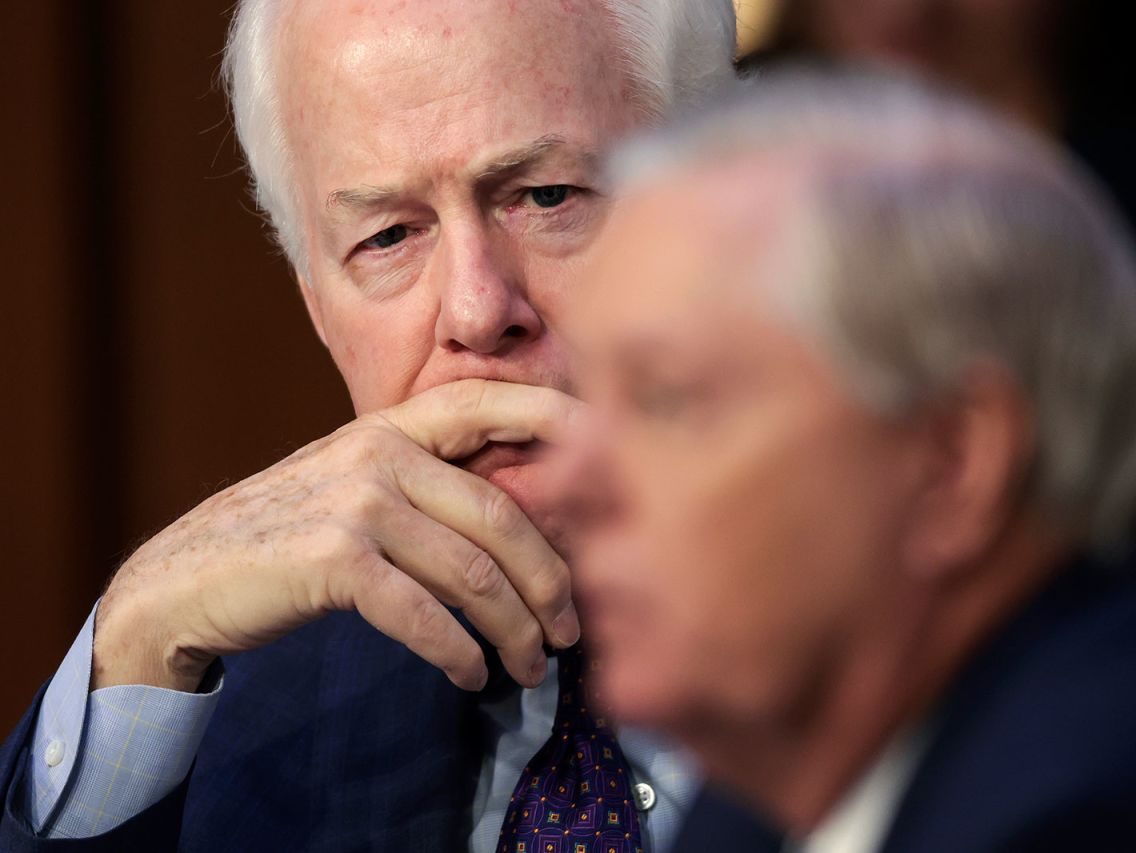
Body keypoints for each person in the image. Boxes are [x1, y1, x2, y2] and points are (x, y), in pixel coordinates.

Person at [0, 1, 739, 850]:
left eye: (547, 195)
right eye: (388, 235)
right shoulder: (235, 716)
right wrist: (133, 640)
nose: (475, 309)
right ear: (317, 307)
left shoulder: (914, 640)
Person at [554, 72, 1136, 852]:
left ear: (951, 461)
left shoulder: (1111, 816)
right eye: (588, 398)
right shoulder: (788, 775)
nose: (572, 484)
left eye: (667, 401)